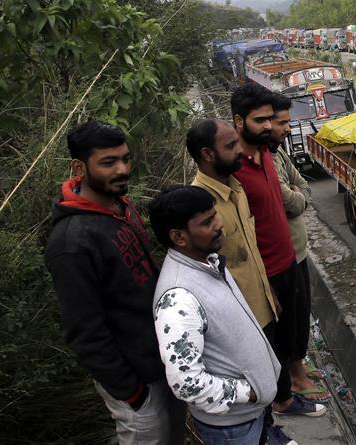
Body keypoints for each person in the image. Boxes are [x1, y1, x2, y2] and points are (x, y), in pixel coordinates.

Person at [43, 120, 185, 445]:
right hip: (136, 384)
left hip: (161, 362)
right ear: (79, 167)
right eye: (109, 162)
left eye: (125, 158)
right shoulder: (73, 243)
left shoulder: (119, 205)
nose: (122, 169)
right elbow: (84, 331)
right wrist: (131, 392)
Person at [186, 118, 297, 445]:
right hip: (237, 323)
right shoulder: (199, 208)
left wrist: (267, 294)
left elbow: (249, 251)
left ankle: (268, 429)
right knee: (251, 389)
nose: (240, 152)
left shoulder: (237, 188)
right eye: (230, 146)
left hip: (261, 306)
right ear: (208, 154)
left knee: (267, 382)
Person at [149, 185, 281, 445]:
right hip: (233, 429)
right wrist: (249, 392)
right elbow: (186, 383)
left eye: (215, 215)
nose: (219, 224)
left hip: (250, 416)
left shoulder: (207, 261)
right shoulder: (178, 299)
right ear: (179, 237)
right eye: (207, 222)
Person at [230, 82, 326, 419]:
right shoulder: (234, 168)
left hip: (289, 259)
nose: (272, 127)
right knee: (275, 338)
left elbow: (298, 192)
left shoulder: (267, 156)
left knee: (293, 327)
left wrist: (296, 199)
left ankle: (290, 385)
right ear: (239, 122)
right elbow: (287, 202)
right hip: (265, 270)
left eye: (274, 120)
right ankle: (282, 399)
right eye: (262, 120)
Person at [269, 95, 330, 403]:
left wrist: (298, 195)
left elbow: (302, 187)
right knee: (290, 321)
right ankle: (295, 379)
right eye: (282, 123)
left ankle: (300, 370)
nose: (288, 129)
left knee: (301, 315)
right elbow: (291, 201)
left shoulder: (277, 153)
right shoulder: (265, 160)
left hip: (297, 252)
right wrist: (297, 196)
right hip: (284, 257)